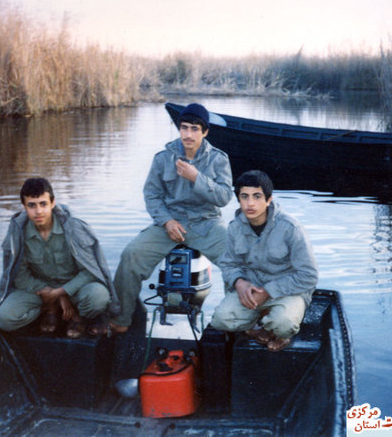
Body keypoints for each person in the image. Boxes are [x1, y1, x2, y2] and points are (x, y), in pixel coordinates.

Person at [107, 102, 232, 333]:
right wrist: (166, 221)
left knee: (235, 259)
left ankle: (235, 320)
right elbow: (152, 195)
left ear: (205, 132)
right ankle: (121, 320)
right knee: (131, 255)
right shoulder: (163, 158)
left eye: (194, 129)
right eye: (184, 128)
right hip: (170, 223)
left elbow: (224, 197)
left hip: (206, 223)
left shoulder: (218, 159)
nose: (188, 134)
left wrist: (196, 178)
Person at [0, 177, 119, 338]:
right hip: (40, 292)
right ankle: (50, 309)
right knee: (4, 319)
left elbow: (90, 272)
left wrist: (61, 292)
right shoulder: (18, 233)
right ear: (24, 206)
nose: (38, 211)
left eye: (43, 204)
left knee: (98, 297)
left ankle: (78, 317)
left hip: (76, 289)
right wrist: (52, 295)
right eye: (32, 205)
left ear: (52, 203)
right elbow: (20, 277)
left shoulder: (74, 228)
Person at [211, 170, 318, 352]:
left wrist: (268, 291)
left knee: (283, 324)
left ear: (268, 200)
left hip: (287, 292)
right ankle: (256, 324)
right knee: (221, 320)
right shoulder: (235, 227)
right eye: (244, 196)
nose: (250, 203)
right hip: (252, 290)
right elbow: (229, 264)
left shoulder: (291, 228)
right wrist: (239, 283)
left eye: (257, 196)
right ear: (238, 200)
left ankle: (282, 334)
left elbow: (309, 276)